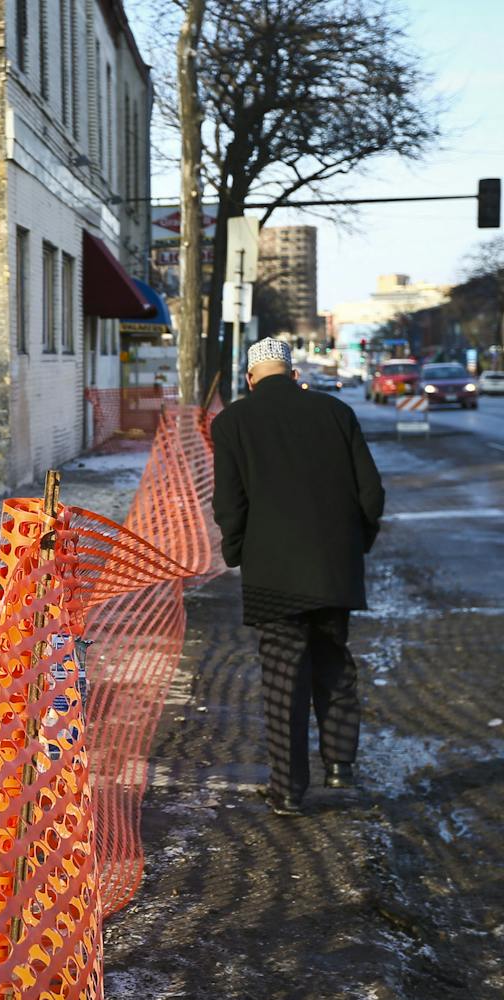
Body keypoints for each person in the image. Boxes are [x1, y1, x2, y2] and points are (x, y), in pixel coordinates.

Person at [210, 338, 385, 816]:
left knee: (284, 676)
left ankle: (288, 791)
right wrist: (355, 544)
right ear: (291, 374)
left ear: (250, 379)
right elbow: (371, 492)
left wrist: (238, 551)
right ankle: (339, 766)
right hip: (334, 567)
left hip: (272, 575)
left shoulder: (231, 423)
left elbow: (230, 503)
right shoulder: (335, 412)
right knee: (333, 660)